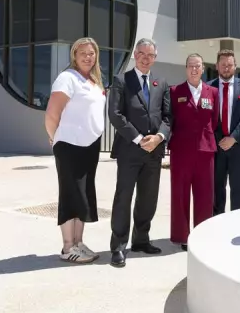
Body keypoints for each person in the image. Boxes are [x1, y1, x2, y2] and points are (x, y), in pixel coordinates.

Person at [107, 38, 171, 268]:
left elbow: (168, 117)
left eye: (150, 55)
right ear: (135, 54)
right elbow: (115, 114)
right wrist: (137, 138)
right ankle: (118, 246)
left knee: (148, 198)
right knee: (123, 198)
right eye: (142, 53)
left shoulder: (161, 83)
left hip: (154, 152)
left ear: (155, 57)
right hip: (129, 151)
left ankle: (141, 240)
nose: (146, 58)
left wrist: (158, 137)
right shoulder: (121, 80)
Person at [44, 37, 106, 264]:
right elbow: (52, 114)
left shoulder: (94, 81)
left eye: (92, 53)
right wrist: (55, 139)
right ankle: (68, 247)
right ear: (74, 55)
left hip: (90, 147)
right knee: (70, 195)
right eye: (83, 53)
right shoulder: (67, 78)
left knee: (83, 196)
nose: (88, 57)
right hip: (69, 146)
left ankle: (79, 243)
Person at [168, 53, 219, 250]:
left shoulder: (212, 92)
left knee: (205, 195)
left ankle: (201, 233)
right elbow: (171, 119)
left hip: (205, 150)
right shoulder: (174, 91)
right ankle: (181, 235)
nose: (194, 69)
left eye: (198, 66)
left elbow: (213, 120)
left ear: (203, 68)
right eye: (191, 65)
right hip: (181, 151)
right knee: (179, 194)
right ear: (186, 68)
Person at [209, 49, 240, 215]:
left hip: (239, 148)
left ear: (235, 66)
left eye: (229, 65)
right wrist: (218, 140)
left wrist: (233, 138)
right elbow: (206, 118)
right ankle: (217, 222)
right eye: (223, 65)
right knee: (217, 189)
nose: (226, 68)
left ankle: (236, 223)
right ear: (217, 66)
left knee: (238, 190)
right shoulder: (208, 87)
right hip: (216, 147)